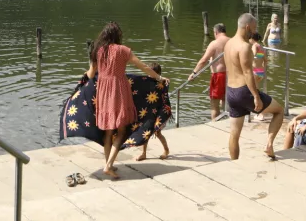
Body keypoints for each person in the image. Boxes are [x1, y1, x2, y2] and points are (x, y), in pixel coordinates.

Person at [85, 22, 167, 179]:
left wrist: (83, 82)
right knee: (122, 130)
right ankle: (108, 166)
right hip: (119, 91)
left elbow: (90, 74)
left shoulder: (99, 51)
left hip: (103, 92)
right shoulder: (123, 50)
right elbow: (143, 67)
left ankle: (108, 164)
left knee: (108, 131)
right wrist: (159, 78)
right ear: (118, 35)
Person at [224, 13, 285, 161]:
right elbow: (247, 73)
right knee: (279, 111)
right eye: (254, 28)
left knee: (234, 133)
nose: (255, 31)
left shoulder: (228, 44)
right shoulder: (244, 47)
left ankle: (233, 163)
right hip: (244, 91)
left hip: (231, 91)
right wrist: (256, 96)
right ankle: (269, 145)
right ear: (247, 27)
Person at [187, 23, 229, 120]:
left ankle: (215, 123)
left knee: (214, 104)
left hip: (218, 75)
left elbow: (203, 60)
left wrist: (194, 73)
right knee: (226, 100)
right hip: (231, 74)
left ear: (216, 32)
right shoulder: (231, 41)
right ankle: (227, 121)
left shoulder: (214, 43)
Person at [136, 63, 171, 161]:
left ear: (157, 74)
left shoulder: (162, 83)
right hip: (148, 111)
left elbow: (167, 84)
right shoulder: (145, 82)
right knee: (145, 132)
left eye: (151, 73)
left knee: (158, 133)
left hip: (159, 112)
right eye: (148, 73)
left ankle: (166, 150)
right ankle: (143, 153)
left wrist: (164, 79)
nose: (149, 75)